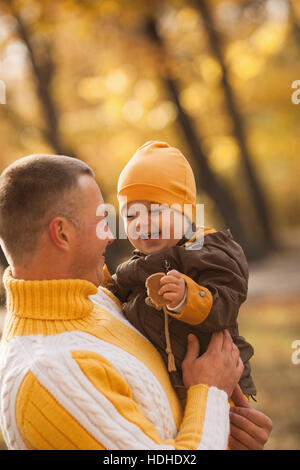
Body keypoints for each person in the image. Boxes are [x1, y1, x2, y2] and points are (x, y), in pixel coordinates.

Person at [0, 154, 272, 450]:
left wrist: (226, 435)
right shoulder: (52, 377)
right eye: (103, 220)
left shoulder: (101, 301)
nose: (111, 236)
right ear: (62, 233)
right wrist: (210, 392)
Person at [104, 141, 256, 405]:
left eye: (155, 210)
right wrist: (101, 283)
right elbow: (114, 294)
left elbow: (228, 300)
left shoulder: (207, 250)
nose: (142, 222)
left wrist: (189, 297)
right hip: (166, 388)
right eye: (130, 216)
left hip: (220, 385)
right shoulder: (137, 266)